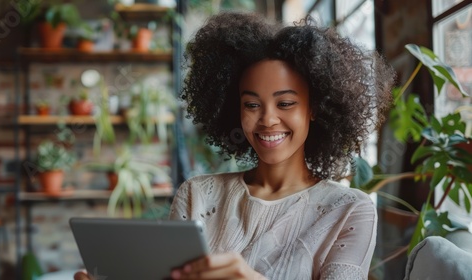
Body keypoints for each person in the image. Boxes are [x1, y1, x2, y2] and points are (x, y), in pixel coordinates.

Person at [75, 11, 394, 280]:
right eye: (252, 105)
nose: (268, 119)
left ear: (314, 109)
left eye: (285, 103)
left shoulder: (350, 209)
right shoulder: (198, 195)